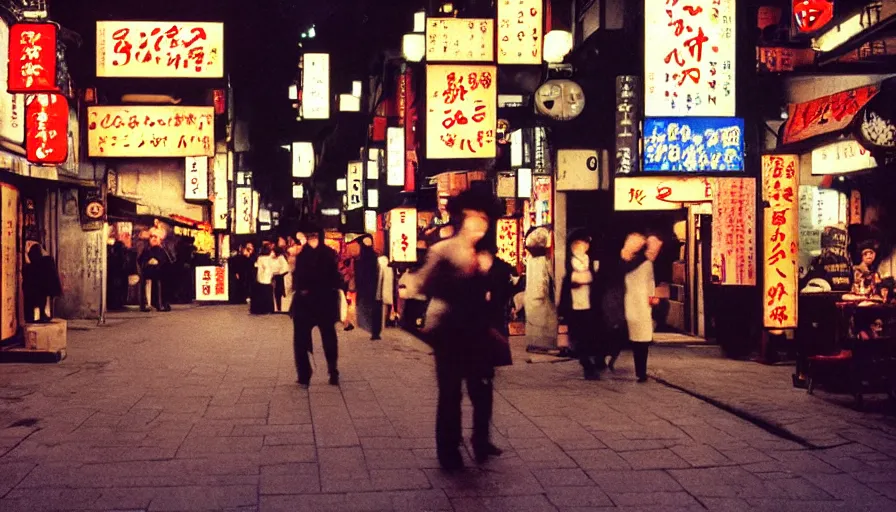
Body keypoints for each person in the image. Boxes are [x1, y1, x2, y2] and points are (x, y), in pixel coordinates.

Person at [411, 189, 504, 471]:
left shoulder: (486, 254)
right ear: (462, 220)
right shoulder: (443, 250)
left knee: (482, 388)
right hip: (449, 329)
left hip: (478, 329)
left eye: (484, 220)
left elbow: (497, 290)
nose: (479, 225)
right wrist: (466, 279)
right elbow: (421, 285)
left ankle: (480, 438)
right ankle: (448, 450)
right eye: (474, 219)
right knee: (450, 392)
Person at [292, 227, 343, 387]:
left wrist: (303, 290)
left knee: (301, 339)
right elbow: (336, 278)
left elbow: (298, 279)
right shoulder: (329, 253)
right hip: (324, 301)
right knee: (328, 337)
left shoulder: (302, 255)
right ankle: (332, 371)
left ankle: (305, 374)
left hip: (307, 302)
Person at [559, 229, 602, 380]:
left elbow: (594, 281)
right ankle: (586, 364)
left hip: (589, 306)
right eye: (578, 244)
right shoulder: (570, 264)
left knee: (590, 335)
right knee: (578, 337)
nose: (581, 247)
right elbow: (567, 286)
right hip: (575, 306)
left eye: (584, 244)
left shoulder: (590, 262)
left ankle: (593, 362)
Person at [625, 233, 663, 383]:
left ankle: (640, 371)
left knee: (635, 340)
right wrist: (653, 301)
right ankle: (641, 372)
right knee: (641, 342)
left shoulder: (625, 262)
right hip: (641, 306)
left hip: (628, 304)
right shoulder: (646, 264)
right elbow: (650, 285)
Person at [524, 226, 559, 354]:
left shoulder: (534, 260)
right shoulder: (540, 260)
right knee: (542, 319)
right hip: (539, 295)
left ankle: (537, 344)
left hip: (537, 295)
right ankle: (541, 344)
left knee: (540, 319)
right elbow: (542, 279)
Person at [23, 243, 62, 323]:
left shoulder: (29, 267)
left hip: (32, 291)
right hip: (40, 290)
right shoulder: (45, 262)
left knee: (30, 304)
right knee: (41, 300)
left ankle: (31, 317)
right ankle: (41, 315)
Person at [354, 235, 381, 340]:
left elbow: (359, 275)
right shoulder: (375, 257)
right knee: (374, 309)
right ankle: (375, 331)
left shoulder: (361, 259)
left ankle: (370, 329)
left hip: (365, 288)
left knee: (366, 308)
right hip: (374, 287)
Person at [139, 229, 172, 312]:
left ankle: (161, 305)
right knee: (147, 287)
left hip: (160, 275)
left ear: (160, 239)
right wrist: (147, 262)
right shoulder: (146, 250)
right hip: (148, 274)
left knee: (161, 287)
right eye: (151, 237)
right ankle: (147, 305)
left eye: (155, 237)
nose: (153, 239)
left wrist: (158, 262)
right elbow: (140, 260)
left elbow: (168, 261)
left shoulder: (163, 250)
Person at [251, 245, 284, 315]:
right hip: (269, 278)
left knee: (261, 295)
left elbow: (257, 267)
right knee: (268, 296)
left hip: (261, 278)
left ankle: (260, 309)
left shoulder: (260, 258)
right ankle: (269, 309)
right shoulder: (270, 258)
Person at [271, 245, 289, 313]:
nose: (272, 253)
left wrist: (278, 273)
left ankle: (279, 307)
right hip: (273, 276)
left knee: (278, 293)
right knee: (275, 293)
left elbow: (285, 268)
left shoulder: (281, 258)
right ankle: (277, 307)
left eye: (273, 252)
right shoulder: (272, 258)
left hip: (279, 277)